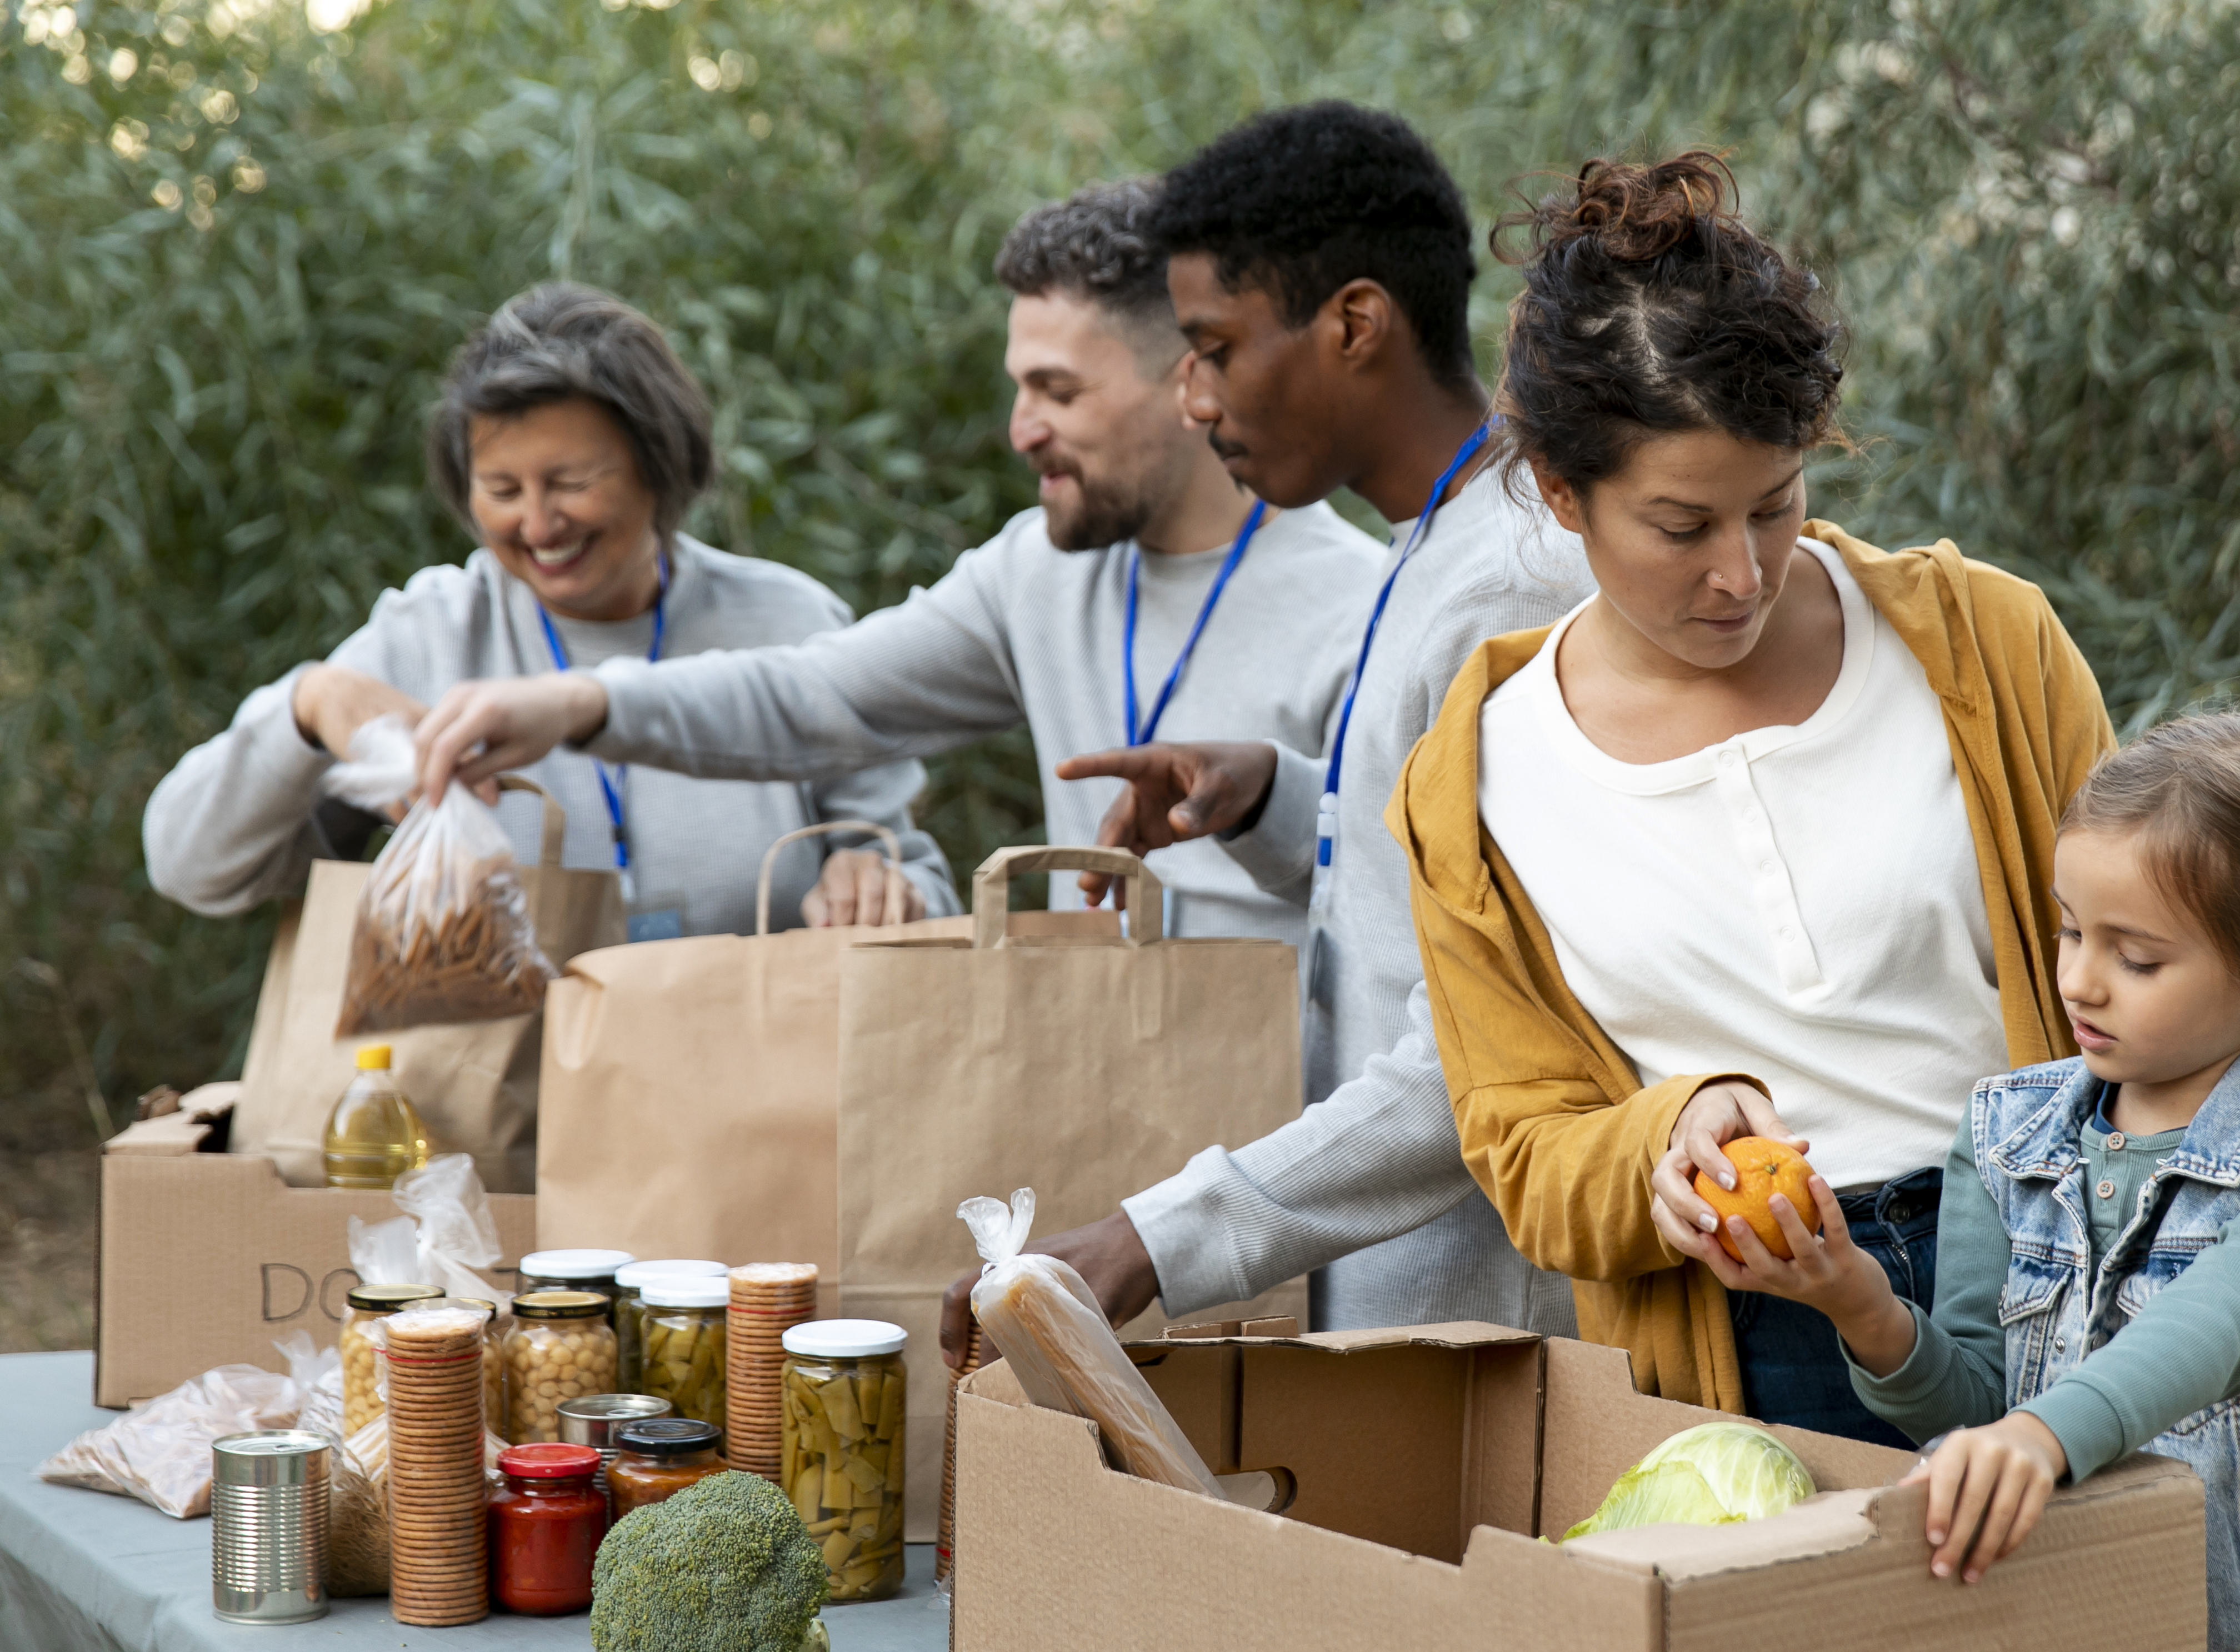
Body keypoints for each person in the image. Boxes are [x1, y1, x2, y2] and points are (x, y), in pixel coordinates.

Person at [1388, 153, 2240, 1500]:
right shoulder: (1472, 776)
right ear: (1565, 495)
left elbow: (2189, 967)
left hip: (2082, 1284)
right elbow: (1522, 1153)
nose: (1739, 571)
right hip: (1747, 1338)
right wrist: (1670, 1133)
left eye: (1774, 503)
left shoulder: (1982, 646)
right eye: (1680, 523)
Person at [949, 102, 1593, 1347]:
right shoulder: (1434, 545)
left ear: (1353, 324)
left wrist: (1152, 1237)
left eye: (1214, 347)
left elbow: (1482, 1045)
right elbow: (1429, 899)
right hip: (1404, 1297)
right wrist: (1277, 799)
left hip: (1488, 1328)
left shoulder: (1505, 587)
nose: (1193, 397)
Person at [407, 181, 1382, 951]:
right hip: (1096, 1122)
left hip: (1270, 1153)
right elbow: (814, 697)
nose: (1020, 429)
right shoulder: (1033, 574)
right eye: (1017, 388)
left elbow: (1397, 916)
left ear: (1187, 382)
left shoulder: (1358, 608)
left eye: (1057, 391)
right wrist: (581, 707)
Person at [1718, 713, 2240, 1646]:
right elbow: (1974, 1404)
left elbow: (2219, 1322)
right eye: (2070, 930)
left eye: (2136, 957)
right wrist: (1857, 1301)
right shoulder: (2004, 1131)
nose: (2079, 980)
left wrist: (2042, 1436)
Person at [144, 283, 955, 939]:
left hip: (756, 1104)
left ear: (659, 466)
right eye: (502, 490)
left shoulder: (788, 620)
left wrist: (884, 884)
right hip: (507, 1127)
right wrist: (307, 703)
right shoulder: (431, 633)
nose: (537, 524)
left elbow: (922, 878)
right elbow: (192, 868)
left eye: (570, 483)